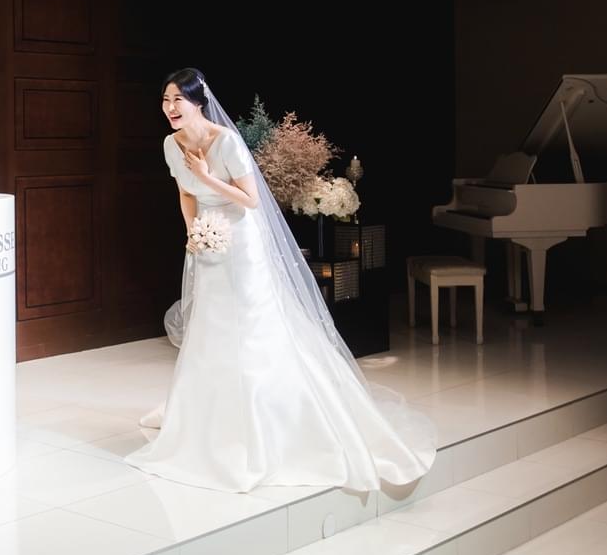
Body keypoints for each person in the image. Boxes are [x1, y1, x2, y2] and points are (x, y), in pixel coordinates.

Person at [128, 68, 437, 494]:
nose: (169, 108)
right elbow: (185, 193)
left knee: (251, 327)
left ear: (198, 102)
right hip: (208, 238)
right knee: (211, 325)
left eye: (177, 99)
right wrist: (192, 231)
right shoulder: (170, 144)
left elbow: (251, 200)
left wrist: (207, 177)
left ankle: (268, 421)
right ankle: (212, 418)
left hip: (242, 242)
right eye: (165, 100)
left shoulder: (226, 142)